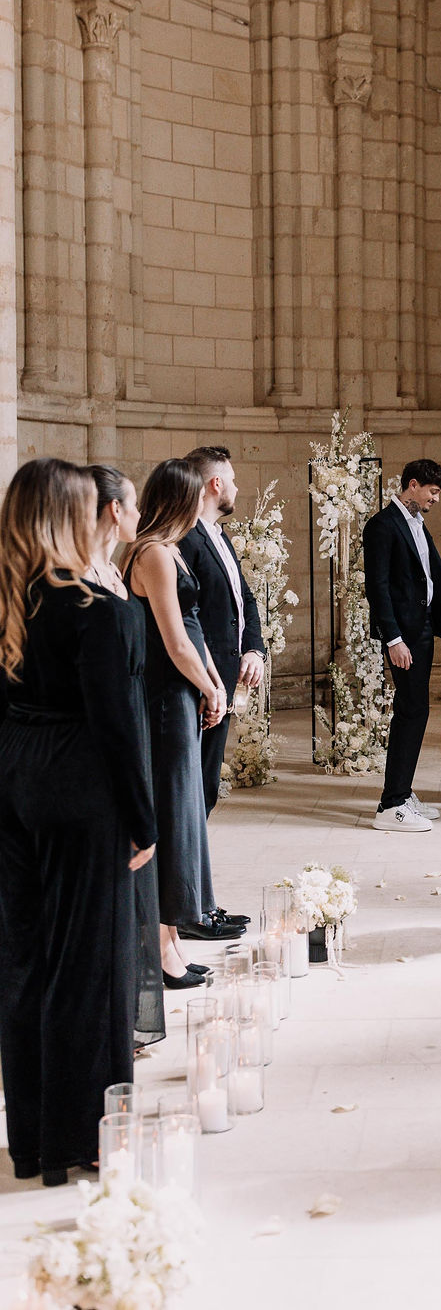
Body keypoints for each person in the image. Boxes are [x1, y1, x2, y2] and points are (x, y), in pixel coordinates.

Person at [0, 459, 156, 1186]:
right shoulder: (97, 609)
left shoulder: (9, 600)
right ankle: (82, 1139)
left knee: (25, 961)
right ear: (69, 516)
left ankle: (32, 1141)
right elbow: (118, 726)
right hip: (78, 786)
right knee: (90, 966)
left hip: (12, 783)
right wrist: (144, 818)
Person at [124, 460, 228, 988]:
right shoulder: (153, 555)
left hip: (183, 694)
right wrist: (209, 687)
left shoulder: (171, 553)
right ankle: (161, 950)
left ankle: (173, 939)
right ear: (181, 501)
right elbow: (174, 638)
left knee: (184, 810)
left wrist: (214, 680)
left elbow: (197, 630)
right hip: (164, 700)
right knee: (172, 812)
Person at [86, 464, 165, 1051]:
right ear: (115, 510)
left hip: (134, 717)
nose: (138, 515)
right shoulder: (81, 583)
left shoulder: (112, 571)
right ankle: (106, 1012)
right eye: (133, 504)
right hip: (108, 731)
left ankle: (124, 1011)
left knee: (138, 879)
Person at [177, 444, 265, 941]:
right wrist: (212, 679)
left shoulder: (219, 535)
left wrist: (253, 649)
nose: (235, 487)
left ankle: (196, 898)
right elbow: (191, 622)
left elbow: (243, 600)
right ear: (213, 484)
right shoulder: (185, 540)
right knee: (191, 794)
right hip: (198, 686)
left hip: (226, 680)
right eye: (230, 479)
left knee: (205, 789)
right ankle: (188, 905)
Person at [363, 458, 441, 832]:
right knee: (411, 711)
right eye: (432, 492)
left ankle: (403, 791)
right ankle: (391, 804)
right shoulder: (383, 525)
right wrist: (393, 639)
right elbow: (377, 587)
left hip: (424, 628)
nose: (435, 500)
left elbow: (434, 576)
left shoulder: (417, 523)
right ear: (412, 485)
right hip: (405, 636)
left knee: (416, 710)